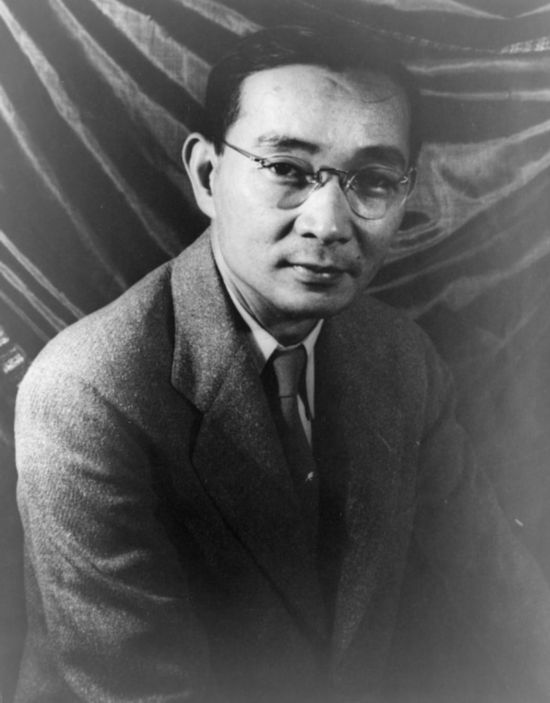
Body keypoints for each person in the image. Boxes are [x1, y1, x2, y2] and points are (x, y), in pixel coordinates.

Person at [13, 24, 550, 703]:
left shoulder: (400, 356)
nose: (329, 223)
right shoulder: (87, 392)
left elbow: (500, 597)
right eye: (288, 170)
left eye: (373, 180)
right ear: (208, 176)